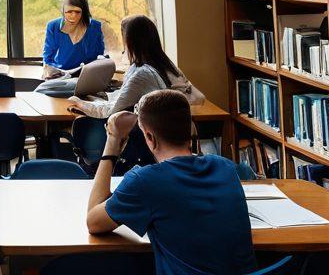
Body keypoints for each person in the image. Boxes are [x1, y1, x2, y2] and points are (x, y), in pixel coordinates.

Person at [87, 90, 256, 275]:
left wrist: (112, 140)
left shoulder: (145, 182)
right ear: (190, 129)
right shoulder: (226, 168)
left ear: (149, 138)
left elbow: (94, 222)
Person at [70, 14, 204, 119]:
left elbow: (111, 111)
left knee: (82, 123)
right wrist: (97, 97)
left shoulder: (143, 74)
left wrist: (79, 102)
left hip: (154, 132)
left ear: (130, 42)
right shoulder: (166, 65)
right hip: (172, 123)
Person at [41, 0, 106, 75]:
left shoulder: (95, 27)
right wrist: (56, 72)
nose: (73, 16)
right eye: (69, 12)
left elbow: (99, 57)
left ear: (84, 11)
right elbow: (47, 59)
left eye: (78, 12)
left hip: (86, 76)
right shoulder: (53, 26)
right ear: (63, 11)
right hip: (59, 76)